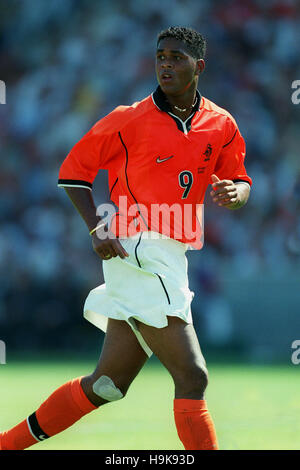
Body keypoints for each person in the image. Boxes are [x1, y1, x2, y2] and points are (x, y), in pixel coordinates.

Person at [0, 26, 252, 451]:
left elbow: (241, 179)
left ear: (199, 66)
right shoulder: (128, 118)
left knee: (107, 384)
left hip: (174, 253)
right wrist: (97, 226)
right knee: (193, 375)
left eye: (176, 57)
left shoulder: (221, 123)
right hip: (137, 246)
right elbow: (73, 172)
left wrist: (238, 193)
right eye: (161, 56)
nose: (166, 64)